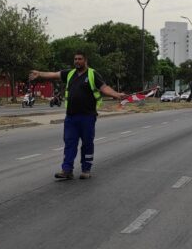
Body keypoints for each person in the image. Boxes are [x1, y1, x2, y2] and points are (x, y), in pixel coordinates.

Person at [29, 52, 127, 180]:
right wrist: (39, 74)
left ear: (85, 60)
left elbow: (104, 88)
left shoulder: (92, 74)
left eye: (80, 59)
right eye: (75, 59)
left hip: (87, 117)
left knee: (87, 143)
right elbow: (53, 74)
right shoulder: (70, 73)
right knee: (69, 143)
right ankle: (67, 170)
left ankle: (86, 169)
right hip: (71, 118)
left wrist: (117, 94)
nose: (77, 61)